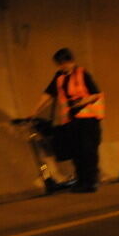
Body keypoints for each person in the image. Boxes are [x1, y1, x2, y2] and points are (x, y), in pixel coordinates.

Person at [32, 48, 105, 192]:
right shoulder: (59, 77)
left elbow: (96, 94)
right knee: (76, 151)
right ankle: (81, 181)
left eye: (65, 63)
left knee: (87, 151)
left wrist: (81, 102)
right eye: (60, 64)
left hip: (87, 118)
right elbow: (48, 94)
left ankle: (90, 182)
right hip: (71, 120)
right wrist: (34, 111)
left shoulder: (82, 73)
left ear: (71, 61)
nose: (63, 66)